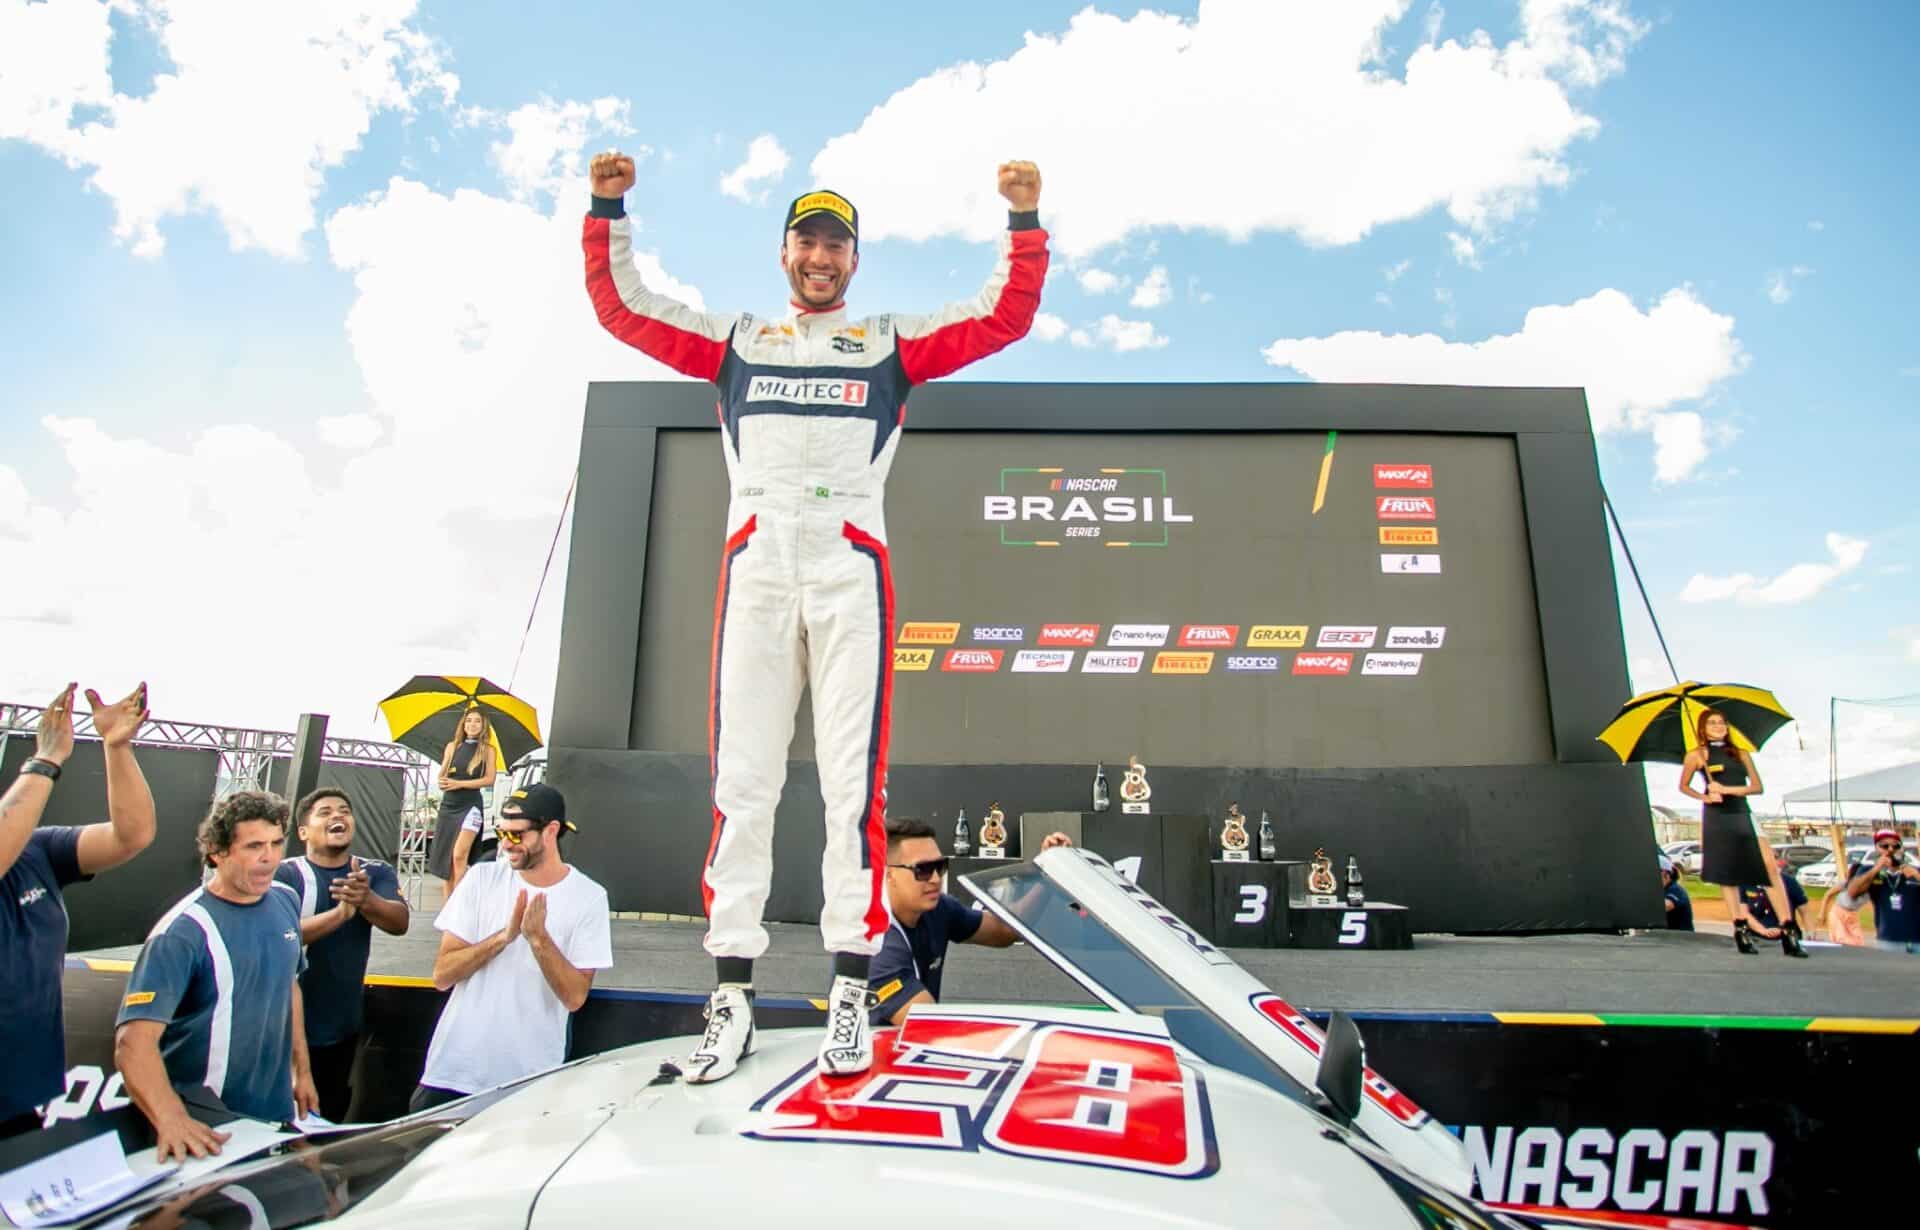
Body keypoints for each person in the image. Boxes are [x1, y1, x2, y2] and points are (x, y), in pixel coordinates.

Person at [583, 150, 1048, 1083]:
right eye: (807, 240)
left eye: (836, 243)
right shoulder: (736, 339)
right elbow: (623, 306)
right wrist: (609, 207)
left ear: (854, 260)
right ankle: (731, 1000)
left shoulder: (888, 341)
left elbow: (1003, 317)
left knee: (852, 794)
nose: (820, 256)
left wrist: (1023, 223)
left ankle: (849, 999)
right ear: (785, 252)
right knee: (741, 787)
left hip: (849, 571)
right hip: (755, 571)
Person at [114, 791, 316, 1161]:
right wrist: (172, 1119)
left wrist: (302, 1072)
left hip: (273, 1116)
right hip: (208, 1129)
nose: (269, 857)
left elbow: (290, 985)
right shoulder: (181, 933)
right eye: (254, 846)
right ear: (217, 851)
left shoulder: (285, 899)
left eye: (275, 843)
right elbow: (133, 1044)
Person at [0, 683, 157, 1140]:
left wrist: (116, 746)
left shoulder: (38, 851)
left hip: (19, 1095)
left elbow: (132, 835)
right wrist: (46, 759)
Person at [413, 784, 611, 1111]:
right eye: (501, 832)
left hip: (527, 1081)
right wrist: (502, 939)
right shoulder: (481, 879)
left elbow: (575, 997)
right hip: (452, 1072)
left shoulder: (588, 897)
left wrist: (539, 940)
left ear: (550, 831)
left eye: (517, 835)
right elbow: (442, 975)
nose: (505, 844)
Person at [275, 788, 411, 1122]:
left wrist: (367, 900)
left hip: (340, 1026)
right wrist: (339, 915)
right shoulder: (286, 875)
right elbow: (276, 939)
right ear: (304, 831)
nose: (338, 816)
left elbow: (399, 922)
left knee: (328, 1113)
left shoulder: (373, 872)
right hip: (281, 1027)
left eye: (345, 810)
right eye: (325, 812)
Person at [868, 819, 1072, 1027]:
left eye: (940, 866)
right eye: (923, 870)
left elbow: (1005, 930)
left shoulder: (939, 909)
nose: (936, 879)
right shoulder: (875, 942)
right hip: (868, 1055)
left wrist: (1046, 874)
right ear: (889, 874)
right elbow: (929, 1026)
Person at [1678, 709, 1805, 958]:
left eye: (1722, 722)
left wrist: (1728, 789)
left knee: (1769, 866)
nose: (1718, 726)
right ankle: (1740, 927)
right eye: (1712, 723)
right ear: (1703, 728)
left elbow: (1756, 787)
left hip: (1741, 812)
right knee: (1729, 875)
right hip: (1716, 816)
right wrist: (1705, 795)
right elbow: (1683, 785)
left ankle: (1788, 927)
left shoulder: (1740, 753)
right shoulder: (1697, 755)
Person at [429, 708, 497, 888]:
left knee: (459, 855)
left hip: (471, 806)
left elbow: (489, 779)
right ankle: (447, 911)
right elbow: (441, 776)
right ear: (463, 724)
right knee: (447, 862)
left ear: (483, 726)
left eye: (477, 721)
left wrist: (460, 784)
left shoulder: (488, 750)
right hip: (448, 805)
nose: (472, 724)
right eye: (469, 720)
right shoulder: (452, 746)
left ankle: (460, 904)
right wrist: (444, 781)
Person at [1841, 827, 1920, 955]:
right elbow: (1852, 892)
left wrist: (1916, 875)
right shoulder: (1868, 871)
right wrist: (1876, 869)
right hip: (1888, 939)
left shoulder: (1915, 870)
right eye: (1885, 846)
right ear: (1877, 848)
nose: (1890, 850)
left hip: (1917, 940)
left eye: (1896, 846)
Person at [1738, 849, 1808, 945]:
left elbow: (1805, 912)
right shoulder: (1746, 883)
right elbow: (1743, 913)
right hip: (1756, 938)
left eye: (1774, 857)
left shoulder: (1789, 882)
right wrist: (1763, 930)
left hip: (1788, 937)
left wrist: (1810, 934)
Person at [1659, 853, 1693, 932]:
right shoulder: (1660, 890)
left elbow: (1665, 906)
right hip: (1666, 939)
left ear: (1664, 873)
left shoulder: (1676, 889)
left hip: (1681, 940)